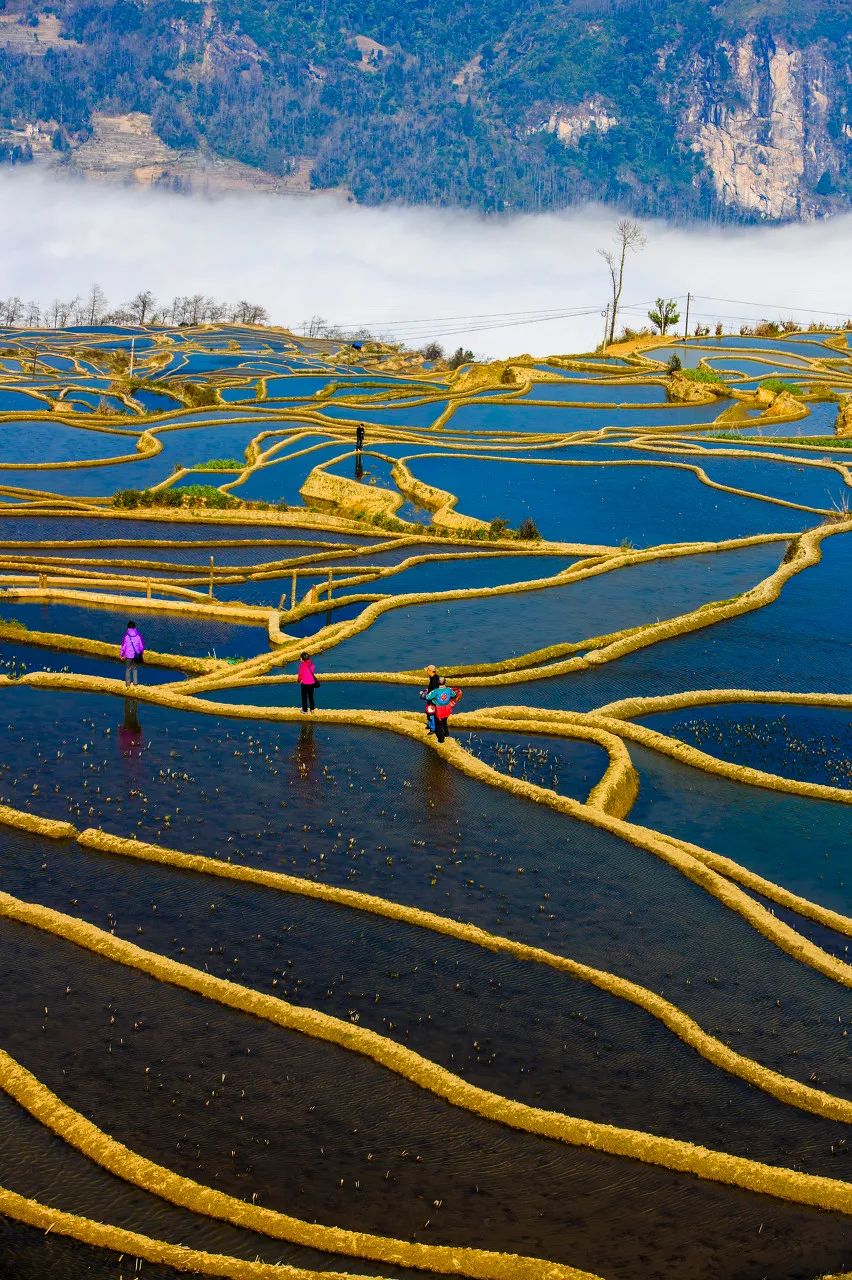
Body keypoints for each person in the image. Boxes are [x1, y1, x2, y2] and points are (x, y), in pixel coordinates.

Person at [426, 677, 462, 743]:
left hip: (439, 709)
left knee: (438, 725)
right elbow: (453, 694)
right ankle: (446, 734)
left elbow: (427, 697)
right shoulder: (449, 689)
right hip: (447, 708)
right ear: (445, 682)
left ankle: (441, 740)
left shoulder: (435, 691)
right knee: (444, 721)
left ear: (438, 683)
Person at [419, 664, 443, 735]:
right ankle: (430, 725)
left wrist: (425, 695)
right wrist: (427, 690)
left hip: (433, 700)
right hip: (431, 698)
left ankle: (433, 729)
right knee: (428, 712)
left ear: (430, 671)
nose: (426, 672)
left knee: (431, 713)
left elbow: (435, 691)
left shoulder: (435, 679)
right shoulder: (433, 677)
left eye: (427, 670)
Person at [119, 620, 145, 686]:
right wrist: (141, 653)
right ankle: (135, 683)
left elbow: (123, 647)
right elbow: (141, 646)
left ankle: (128, 684)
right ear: (134, 628)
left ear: (128, 628)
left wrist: (121, 655)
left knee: (128, 669)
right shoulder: (138, 636)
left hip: (128, 655)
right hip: (136, 655)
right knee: (135, 669)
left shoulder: (126, 637)